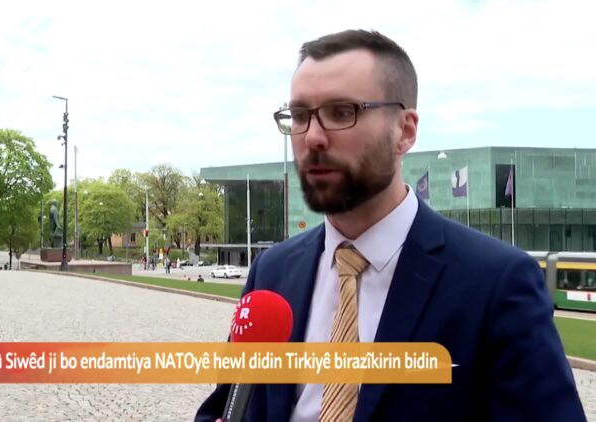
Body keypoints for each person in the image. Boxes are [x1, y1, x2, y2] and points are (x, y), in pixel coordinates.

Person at [196, 29, 585, 422]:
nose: (312, 137)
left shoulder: (496, 283)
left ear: (405, 130)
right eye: (299, 116)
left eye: (341, 112)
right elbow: (225, 408)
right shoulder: (273, 272)